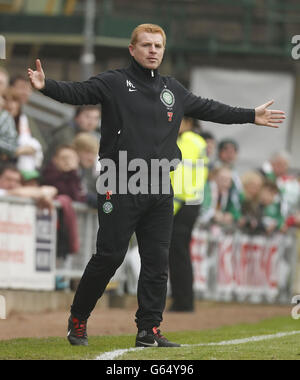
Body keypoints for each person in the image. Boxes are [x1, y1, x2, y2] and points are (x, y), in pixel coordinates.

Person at [27, 23, 285, 348]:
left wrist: (250, 115)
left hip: (160, 187)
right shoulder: (114, 82)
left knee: (156, 261)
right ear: (132, 49)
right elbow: (77, 92)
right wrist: (45, 85)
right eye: (146, 45)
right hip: (118, 182)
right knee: (109, 257)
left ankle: (148, 330)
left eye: (158, 46)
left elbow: (210, 108)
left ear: (163, 51)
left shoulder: (173, 90)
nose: (152, 51)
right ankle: (78, 318)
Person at [168, 117, 208, 312]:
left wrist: (171, 206)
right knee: (178, 253)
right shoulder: (195, 140)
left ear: (189, 121)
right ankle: (182, 299)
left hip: (183, 204)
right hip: (188, 203)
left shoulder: (188, 141)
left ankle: (183, 301)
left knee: (178, 253)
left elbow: (180, 178)